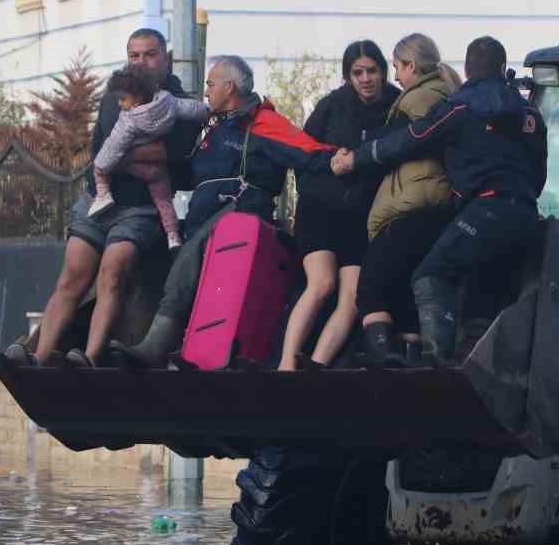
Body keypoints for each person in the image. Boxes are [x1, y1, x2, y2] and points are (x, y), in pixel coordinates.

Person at [333, 36, 546, 363]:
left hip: (483, 208)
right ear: (503, 69)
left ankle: (438, 362)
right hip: (527, 216)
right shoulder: (530, 113)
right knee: (481, 289)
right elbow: (539, 170)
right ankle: (476, 363)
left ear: (467, 68)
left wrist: (356, 159)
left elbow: (409, 140)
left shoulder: (460, 107)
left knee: (430, 274)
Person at [4, 28, 203, 367]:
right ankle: (37, 356)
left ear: (166, 59)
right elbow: (104, 150)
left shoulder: (176, 101)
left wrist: (127, 154)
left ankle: (90, 356)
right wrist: (139, 153)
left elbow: (173, 152)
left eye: (149, 54)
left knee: (112, 271)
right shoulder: (115, 95)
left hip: (142, 208)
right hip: (99, 200)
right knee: (73, 274)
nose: (141, 62)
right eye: (134, 55)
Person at [120, 55, 336, 367]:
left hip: (241, 212)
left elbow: (308, 152)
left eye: (210, 84)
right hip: (202, 216)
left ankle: (156, 345)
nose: (205, 91)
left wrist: (345, 159)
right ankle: (182, 349)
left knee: (190, 254)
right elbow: (188, 175)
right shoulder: (212, 127)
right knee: (172, 253)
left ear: (229, 86)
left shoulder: (265, 123)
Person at [277, 39, 400, 370]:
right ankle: (286, 365)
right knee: (321, 284)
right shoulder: (331, 106)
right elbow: (303, 154)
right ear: (348, 76)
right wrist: (332, 162)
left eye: (371, 70)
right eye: (357, 72)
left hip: (362, 216)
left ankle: (317, 365)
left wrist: (358, 163)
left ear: (383, 71)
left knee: (351, 298)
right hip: (321, 210)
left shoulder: (395, 107)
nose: (365, 79)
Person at [353, 33, 460, 364]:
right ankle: (412, 360)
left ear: (411, 65)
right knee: (405, 288)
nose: (395, 76)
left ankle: (382, 357)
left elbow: (387, 147)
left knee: (370, 287)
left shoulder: (416, 100)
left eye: (397, 67)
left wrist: (350, 160)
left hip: (412, 205)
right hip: (438, 209)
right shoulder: (447, 93)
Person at [87, 66, 211, 249]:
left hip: (137, 167)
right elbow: (191, 109)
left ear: (137, 96)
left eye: (122, 99)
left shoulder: (129, 120)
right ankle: (173, 235)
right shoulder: (168, 101)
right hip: (158, 171)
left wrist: (100, 166)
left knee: (102, 167)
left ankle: (103, 195)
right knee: (164, 202)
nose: (120, 104)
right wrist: (206, 113)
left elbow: (113, 147)